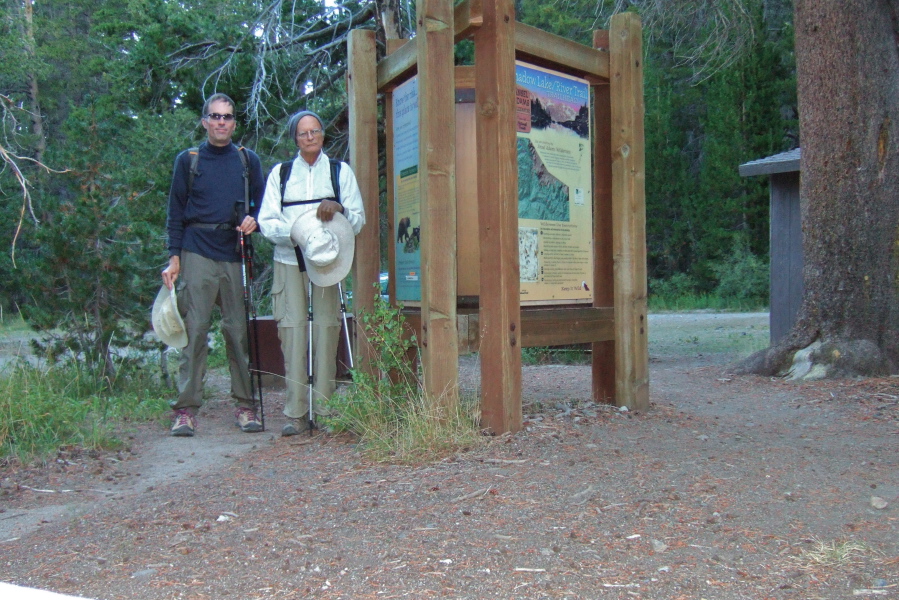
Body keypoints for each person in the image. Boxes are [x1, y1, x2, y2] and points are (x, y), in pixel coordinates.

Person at [162, 93, 265, 437]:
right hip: (196, 251)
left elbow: (264, 207)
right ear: (205, 121)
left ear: (235, 123)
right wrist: (174, 257)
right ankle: (185, 410)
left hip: (235, 253)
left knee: (238, 332)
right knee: (194, 332)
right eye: (215, 116)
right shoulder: (187, 160)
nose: (221, 122)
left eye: (228, 117)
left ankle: (245, 405)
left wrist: (255, 221)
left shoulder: (247, 161)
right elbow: (175, 212)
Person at [258, 110, 365, 436]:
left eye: (315, 131)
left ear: (322, 134)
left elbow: (358, 217)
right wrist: (296, 234)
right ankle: (296, 413)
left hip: (327, 261)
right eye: (303, 133)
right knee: (292, 330)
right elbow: (267, 221)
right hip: (288, 258)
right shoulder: (281, 173)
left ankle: (325, 411)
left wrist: (340, 211)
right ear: (295, 137)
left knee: (327, 329)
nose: (310, 137)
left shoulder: (339, 171)